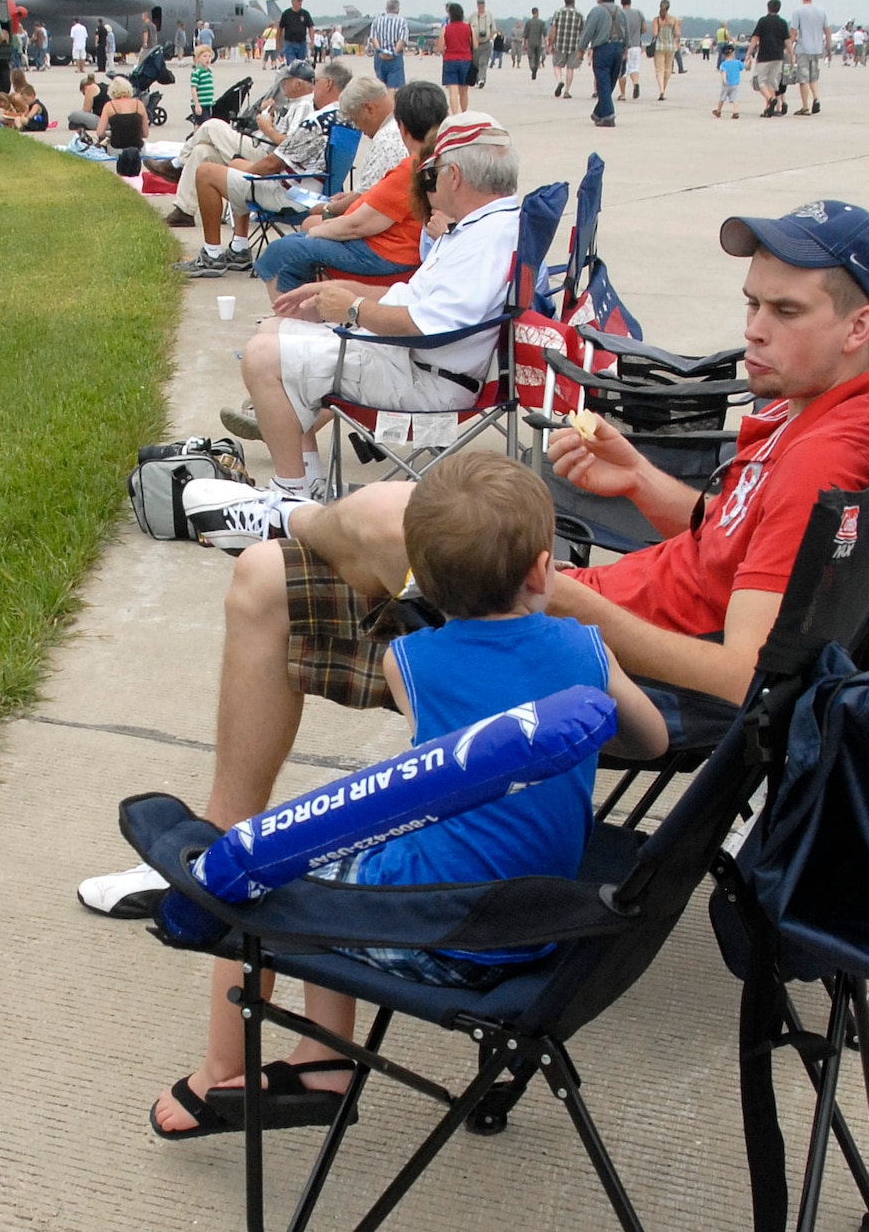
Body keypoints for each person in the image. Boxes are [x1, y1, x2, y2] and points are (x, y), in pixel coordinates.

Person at [112, 199, 869, 1131]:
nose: (752, 329)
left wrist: (579, 603)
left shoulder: (823, 462)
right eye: (752, 303)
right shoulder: (813, 413)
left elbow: (743, 678)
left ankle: (237, 794)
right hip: (591, 635)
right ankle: (236, 779)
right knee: (270, 579)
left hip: (583, 656)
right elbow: (729, 542)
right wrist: (643, 484)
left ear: (859, 326)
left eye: (785, 311)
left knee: (338, 541)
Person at [145, 457, 668, 1138]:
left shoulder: (410, 661)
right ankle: (316, 1061)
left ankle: (241, 1069)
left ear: (422, 578)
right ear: (543, 571)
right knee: (349, 851)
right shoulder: (587, 648)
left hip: (436, 931)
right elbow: (653, 741)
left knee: (276, 870)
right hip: (541, 922)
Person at [190, 114, 519, 507]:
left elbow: (422, 325)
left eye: (431, 173)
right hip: (421, 363)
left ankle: (290, 498)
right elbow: (415, 300)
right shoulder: (481, 227)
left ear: (456, 176)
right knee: (275, 328)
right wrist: (338, 291)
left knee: (264, 358)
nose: (426, 183)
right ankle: (304, 487)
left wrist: (352, 310)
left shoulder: (482, 240)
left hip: (427, 380)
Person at [249, 79, 448, 300]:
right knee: (295, 245)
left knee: (282, 252)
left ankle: (290, 320)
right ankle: (300, 313)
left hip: (389, 254)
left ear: (402, 127)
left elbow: (358, 225)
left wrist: (316, 231)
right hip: (398, 247)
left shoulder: (409, 169)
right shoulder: (440, 161)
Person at [174, 60, 351, 278]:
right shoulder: (344, 118)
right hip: (313, 188)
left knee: (206, 172)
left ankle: (212, 256)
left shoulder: (317, 119)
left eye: (318, 81)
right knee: (234, 166)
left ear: (329, 84)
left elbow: (272, 164)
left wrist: (249, 167)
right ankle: (239, 248)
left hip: (291, 195)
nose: (314, 86)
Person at [576, 0, 627, 128]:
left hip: (603, 49)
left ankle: (608, 115)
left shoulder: (597, 11)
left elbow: (588, 31)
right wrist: (625, 49)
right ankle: (598, 113)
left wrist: (581, 49)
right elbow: (626, 30)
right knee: (610, 83)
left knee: (603, 82)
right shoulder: (620, 11)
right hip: (618, 48)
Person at [746, 0, 791, 116]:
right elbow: (788, 40)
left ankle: (771, 99)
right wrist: (792, 54)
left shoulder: (763, 21)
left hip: (764, 56)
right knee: (772, 82)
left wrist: (749, 53)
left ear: (768, 7)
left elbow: (755, 38)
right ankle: (769, 109)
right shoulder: (782, 22)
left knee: (759, 81)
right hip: (778, 56)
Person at [787, 0, 828, 115]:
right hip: (817, 48)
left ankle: (805, 106)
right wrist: (827, 46)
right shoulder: (821, 11)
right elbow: (827, 30)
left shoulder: (798, 12)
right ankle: (816, 98)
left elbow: (793, 32)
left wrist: (788, 48)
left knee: (803, 78)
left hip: (803, 48)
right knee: (813, 77)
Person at [436, 2, 474, 112]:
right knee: (464, 91)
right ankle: (464, 112)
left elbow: (440, 48)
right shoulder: (468, 28)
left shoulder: (446, 29)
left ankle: (455, 114)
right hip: (465, 60)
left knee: (453, 90)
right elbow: (474, 45)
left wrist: (446, 52)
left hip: (450, 60)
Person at [367, 0, 409, 88]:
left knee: (380, 86)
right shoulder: (402, 22)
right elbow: (402, 40)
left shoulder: (376, 21)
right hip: (395, 58)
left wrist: (380, 52)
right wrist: (393, 53)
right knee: (394, 87)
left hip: (379, 58)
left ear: (386, 9)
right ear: (398, 9)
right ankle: (391, 101)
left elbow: (373, 38)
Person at [548, 0, 584, 98]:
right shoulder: (579, 14)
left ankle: (560, 81)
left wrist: (551, 43)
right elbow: (583, 31)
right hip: (574, 44)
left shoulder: (558, 13)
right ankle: (567, 91)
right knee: (570, 68)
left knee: (557, 65)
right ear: (573, 1)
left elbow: (553, 30)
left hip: (560, 44)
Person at [617, 0, 646, 102]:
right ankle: (636, 83)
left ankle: (623, 94)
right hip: (636, 45)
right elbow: (644, 28)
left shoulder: (619, 13)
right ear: (630, 1)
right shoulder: (638, 13)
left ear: (621, 2)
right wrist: (638, 33)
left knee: (622, 71)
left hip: (623, 45)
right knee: (634, 68)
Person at [650, 0, 681, 99]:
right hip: (670, 47)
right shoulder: (673, 20)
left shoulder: (657, 20)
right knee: (668, 70)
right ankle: (664, 89)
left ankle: (661, 90)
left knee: (659, 70)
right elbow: (677, 34)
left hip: (659, 46)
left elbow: (654, 33)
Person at [277, 0, 314, 66]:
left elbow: (311, 27)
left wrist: (312, 41)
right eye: (298, 1)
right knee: (292, 64)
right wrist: (277, 42)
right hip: (290, 43)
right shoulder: (286, 14)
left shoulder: (305, 13)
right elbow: (280, 28)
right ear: (293, 2)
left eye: (301, 1)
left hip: (302, 43)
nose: (300, 3)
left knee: (301, 64)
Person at [713, 42, 745, 118]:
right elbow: (744, 67)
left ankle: (718, 111)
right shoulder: (737, 62)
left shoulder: (724, 64)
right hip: (735, 84)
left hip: (726, 84)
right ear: (734, 53)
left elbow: (723, 72)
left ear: (724, 54)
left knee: (722, 98)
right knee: (735, 99)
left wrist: (724, 79)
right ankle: (736, 112)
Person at [470, 0, 497, 88]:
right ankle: (478, 78)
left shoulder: (489, 15)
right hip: (475, 43)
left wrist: (490, 39)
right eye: (479, 4)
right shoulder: (473, 16)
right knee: (476, 62)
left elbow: (493, 29)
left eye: (482, 4)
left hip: (486, 43)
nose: (480, 6)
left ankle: (482, 79)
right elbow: (468, 27)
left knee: (483, 62)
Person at [188, 44, 216, 117]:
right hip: (200, 104)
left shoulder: (209, 71)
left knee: (206, 123)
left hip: (208, 103)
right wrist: (197, 105)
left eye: (209, 56)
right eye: (204, 56)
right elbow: (193, 89)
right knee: (201, 124)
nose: (207, 59)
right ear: (197, 58)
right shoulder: (197, 72)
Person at [521, 6, 547, 80]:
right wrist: (546, 43)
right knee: (537, 58)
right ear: (537, 13)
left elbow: (525, 34)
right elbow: (545, 33)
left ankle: (532, 68)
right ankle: (535, 69)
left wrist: (524, 43)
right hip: (538, 43)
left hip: (531, 43)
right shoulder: (541, 23)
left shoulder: (528, 23)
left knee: (531, 57)